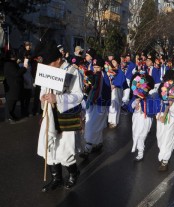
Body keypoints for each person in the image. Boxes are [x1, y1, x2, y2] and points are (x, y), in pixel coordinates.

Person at [36, 40, 84, 192]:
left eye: (50, 64)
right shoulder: (49, 70)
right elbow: (43, 88)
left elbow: (78, 96)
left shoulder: (72, 71)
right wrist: (43, 97)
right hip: (50, 114)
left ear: (58, 59)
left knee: (65, 150)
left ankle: (73, 173)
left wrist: (58, 99)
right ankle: (56, 178)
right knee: (49, 148)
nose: (48, 67)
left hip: (66, 115)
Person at [79, 56, 111, 159]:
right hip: (92, 104)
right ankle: (99, 143)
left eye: (97, 67)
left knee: (91, 126)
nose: (95, 69)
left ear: (102, 67)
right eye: (94, 67)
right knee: (95, 125)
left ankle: (87, 149)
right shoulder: (94, 75)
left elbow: (105, 92)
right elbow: (91, 89)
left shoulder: (104, 77)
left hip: (100, 105)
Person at [128, 74, 155, 161]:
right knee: (135, 133)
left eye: (145, 83)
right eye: (141, 82)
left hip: (145, 118)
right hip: (136, 117)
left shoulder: (151, 97)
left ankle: (140, 152)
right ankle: (136, 146)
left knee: (142, 135)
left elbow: (152, 111)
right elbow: (129, 106)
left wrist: (144, 105)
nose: (142, 85)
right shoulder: (136, 95)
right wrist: (135, 102)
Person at [3, 49, 28, 123]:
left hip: (14, 86)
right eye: (14, 55)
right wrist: (24, 68)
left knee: (13, 102)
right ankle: (8, 117)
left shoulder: (11, 63)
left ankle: (12, 115)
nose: (16, 57)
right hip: (12, 86)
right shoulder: (8, 64)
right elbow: (17, 73)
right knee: (10, 102)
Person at [107, 58, 127, 129]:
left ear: (118, 63)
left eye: (114, 61)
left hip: (117, 89)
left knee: (116, 104)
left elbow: (121, 81)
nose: (113, 63)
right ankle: (111, 120)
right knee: (112, 104)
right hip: (112, 89)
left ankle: (114, 121)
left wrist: (115, 85)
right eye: (112, 62)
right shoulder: (111, 71)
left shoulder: (120, 72)